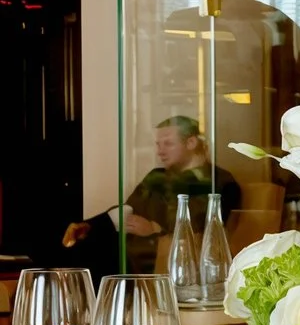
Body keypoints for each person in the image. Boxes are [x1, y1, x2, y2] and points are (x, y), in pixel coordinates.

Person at [61, 114, 240, 266]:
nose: (159, 151)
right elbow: (127, 210)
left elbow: (204, 227)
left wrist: (156, 232)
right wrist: (90, 225)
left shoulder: (221, 182)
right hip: (126, 249)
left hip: (161, 257)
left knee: (74, 255)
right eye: (157, 144)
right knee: (74, 243)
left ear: (191, 142)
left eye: (168, 144)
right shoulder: (156, 176)